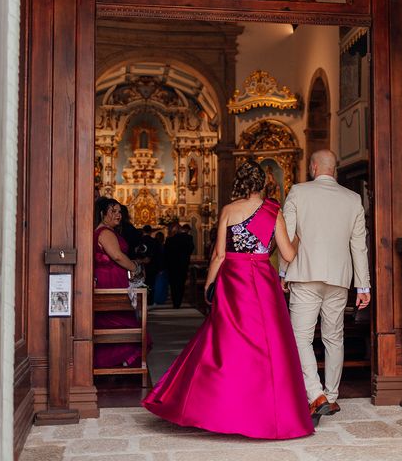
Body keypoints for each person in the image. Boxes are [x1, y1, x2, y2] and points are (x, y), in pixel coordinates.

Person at [143, 160, 313, 439]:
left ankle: (218, 409)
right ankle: (270, 416)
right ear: (263, 183)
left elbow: (219, 255)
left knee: (225, 344)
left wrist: (210, 284)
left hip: (233, 280)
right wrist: (298, 238)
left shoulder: (228, 211)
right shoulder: (273, 212)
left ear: (240, 183)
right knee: (270, 346)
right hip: (262, 281)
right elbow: (289, 255)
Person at [280, 149, 371, 422]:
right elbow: (359, 246)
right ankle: (331, 396)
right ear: (336, 170)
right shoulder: (353, 199)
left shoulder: (298, 191)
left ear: (313, 167)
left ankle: (315, 394)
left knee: (301, 338)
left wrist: (283, 272)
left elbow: (289, 235)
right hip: (339, 279)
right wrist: (363, 287)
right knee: (334, 337)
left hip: (305, 274)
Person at [93, 197, 146, 368]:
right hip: (109, 281)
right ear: (102, 214)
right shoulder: (105, 233)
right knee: (118, 320)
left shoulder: (103, 231)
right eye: (113, 211)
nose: (118, 215)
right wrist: (135, 267)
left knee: (114, 320)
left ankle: (117, 360)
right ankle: (117, 360)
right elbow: (116, 255)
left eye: (119, 211)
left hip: (110, 279)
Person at [164, 222, 194, 308]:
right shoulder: (188, 238)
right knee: (181, 283)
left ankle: (175, 302)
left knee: (173, 284)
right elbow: (191, 249)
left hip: (172, 265)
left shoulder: (169, 240)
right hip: (183, 264)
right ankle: (179, 302)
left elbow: (166, 253)